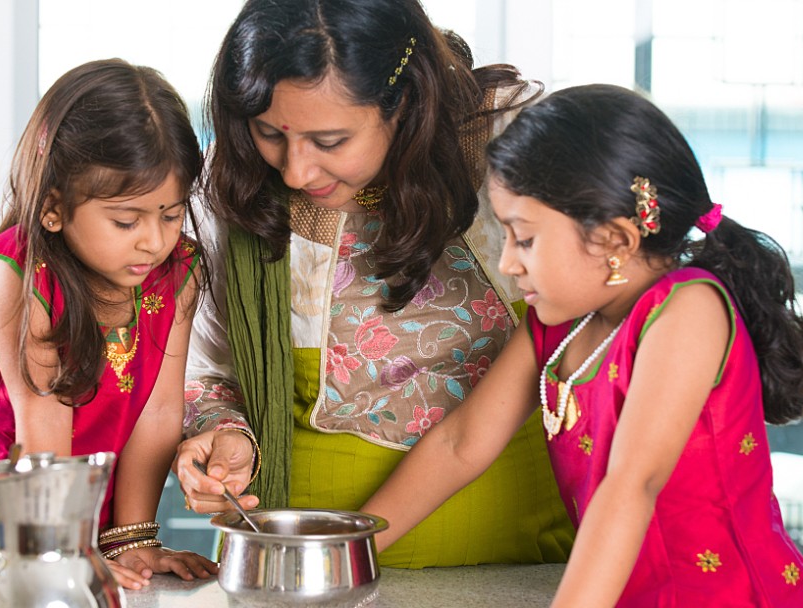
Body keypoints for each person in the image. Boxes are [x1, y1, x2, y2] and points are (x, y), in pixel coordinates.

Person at [362, 84, 803, 606]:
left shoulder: (687, 310)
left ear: (615, 240)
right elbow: (460, 445)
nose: (508, 263)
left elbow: (630, 484)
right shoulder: (555, 324)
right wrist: (346, 554)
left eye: (526, 238)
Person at [175, 0, 574, 568]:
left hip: (523, 559)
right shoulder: (233, 182)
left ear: (404, 102)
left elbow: (589, 327)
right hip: (299, 572)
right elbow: (206, 369)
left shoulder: (513, 141)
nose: (295, 172)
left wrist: (346, 552)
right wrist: (224, 434)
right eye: (268, 132)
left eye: (330, 141)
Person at [0, 59, 218, 589]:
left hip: (69, 509)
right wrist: (61, 551)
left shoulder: (177, 272)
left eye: (171, 214)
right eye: (126, 220)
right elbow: (44, 421)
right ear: (55, 207)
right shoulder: (20, 277)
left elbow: (158, 411)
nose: (154, 240)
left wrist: (132, 539)